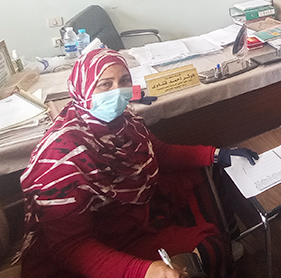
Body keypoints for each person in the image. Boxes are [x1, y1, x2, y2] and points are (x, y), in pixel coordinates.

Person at [19, 48, 258, 278]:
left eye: (124, 81)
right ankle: (217, 251)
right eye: (105, 84)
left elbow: (159, 152)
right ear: (83, 89)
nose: (118, 91)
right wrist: (143, 271)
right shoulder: (61, 158)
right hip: (102, 241)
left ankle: (227, 239)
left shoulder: (125, 120)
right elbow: (71, 248)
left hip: (129, 212)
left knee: (204, 172)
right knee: (211, 248)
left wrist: (216, 154)